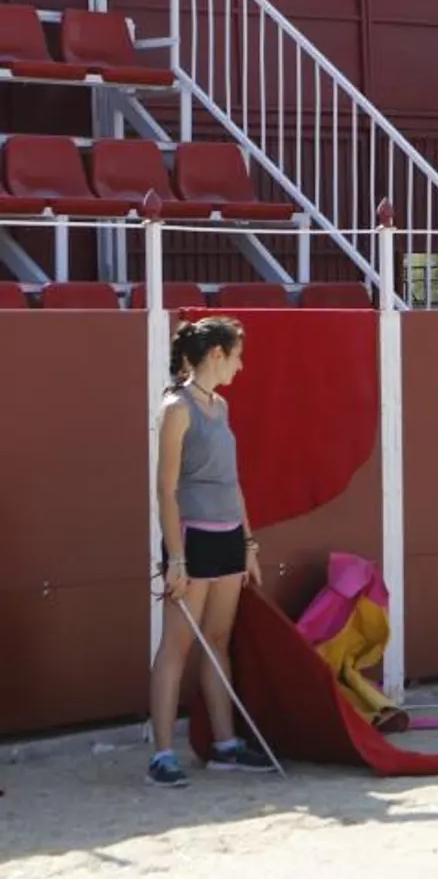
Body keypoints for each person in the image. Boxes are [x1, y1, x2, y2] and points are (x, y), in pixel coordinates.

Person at [148, 317, 275, 787]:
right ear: (216, 355)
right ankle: (161, 755)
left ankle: (224, 745)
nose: (240, 367)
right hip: (194, 537)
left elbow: (232, 482)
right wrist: (176, 557)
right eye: (237, 357)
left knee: (218, 639)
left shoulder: (219, 407)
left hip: (226, 536)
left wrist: (248, 542)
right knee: (177, 645)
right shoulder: (177, 407)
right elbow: (165, 489)